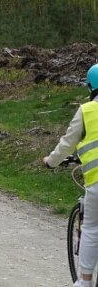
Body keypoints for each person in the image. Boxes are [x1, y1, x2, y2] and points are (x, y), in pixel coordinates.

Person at [44, 63, 98, 287]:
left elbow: (67, 143)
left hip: (97, 182)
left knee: (92, 228)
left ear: (90, 86)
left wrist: (51, 161)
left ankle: (84, 282)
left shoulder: (87, 111)